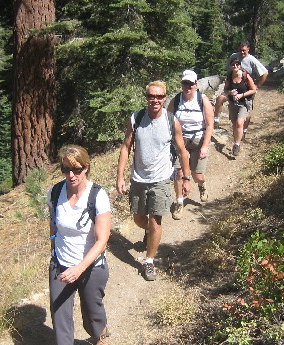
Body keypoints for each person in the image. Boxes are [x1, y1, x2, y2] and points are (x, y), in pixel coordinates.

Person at [116, 80, 191, 281]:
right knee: (139, 219)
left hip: (161, 180)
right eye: (151, 96)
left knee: (155, 219)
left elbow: (183, 151)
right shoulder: (136, 118)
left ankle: (149, 262)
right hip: (138, 179)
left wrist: (186, 177)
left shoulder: (171, 121)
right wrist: (120, 176)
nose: (155, 100)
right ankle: (149, 233)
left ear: (165, 98)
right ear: (146, 97)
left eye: (159, 96)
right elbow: (125, 147)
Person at [48, 145, 112, 345]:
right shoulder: (55, 192)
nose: (71, 174)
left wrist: (80, 268)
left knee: (92, 312)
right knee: (60, 315)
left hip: (91, 266)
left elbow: (102, 240)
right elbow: (53, 224)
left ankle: (99, 335)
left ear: (86, 168)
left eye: (77, 169)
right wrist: (53, 247)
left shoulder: (97, 196)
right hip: (61, 263)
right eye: (66, 169)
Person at [167, 70, 214, 220]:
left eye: (190, 84)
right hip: (180, 142)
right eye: (185, 83)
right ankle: (179, 201)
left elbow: (210, 124)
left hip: (198, 140)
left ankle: (202, 185)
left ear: (196, 85)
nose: (187, 86)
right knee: (179, 173)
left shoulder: (202, 100)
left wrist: (205, 146)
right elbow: (168, 120)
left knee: (196, 174)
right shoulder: (176, 100)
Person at [214, 41, 268, 138]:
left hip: (247, 89)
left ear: (248, 49)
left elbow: (265, 73)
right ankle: (216, 120)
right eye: (240, 50)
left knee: (246, 113)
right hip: (233, 87)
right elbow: (228, 70)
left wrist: (257, 86)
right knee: (220, 98)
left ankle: (244, 130)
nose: (242, 52)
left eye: (244, 50)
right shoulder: (234, 56)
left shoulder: (252, 60)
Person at [224, 59, 257, 156]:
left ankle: (237, 145)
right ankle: (238, 139)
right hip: (232, 103)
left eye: (237, 64)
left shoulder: (245, 75)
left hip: (244, 103)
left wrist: (242, 95)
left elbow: (253, 90)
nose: (235, 66)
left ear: (240, 65)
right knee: (234, 124)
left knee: (239, 122)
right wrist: (230, 92)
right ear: (230, 66)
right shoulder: (229, 77)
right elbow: (225, 89)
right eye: (233, 64)